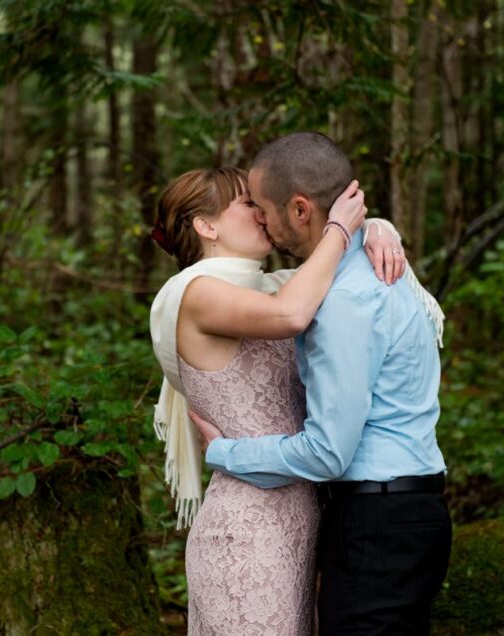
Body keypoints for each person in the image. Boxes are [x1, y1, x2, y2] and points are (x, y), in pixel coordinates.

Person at [189, 132, 451, 635]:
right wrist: (375, 225)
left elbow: (328, 452)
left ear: (302, 209)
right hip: (405, 514)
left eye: (263, 208)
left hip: (377, 522)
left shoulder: (343, 303)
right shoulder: (371, 269)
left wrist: (227, 453)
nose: (259, 219)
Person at [149, 163, 407, 635]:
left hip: (302, 519)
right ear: (207, 226)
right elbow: (289, 315)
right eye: (247, 204)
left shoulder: (271, 284)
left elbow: (327, 277)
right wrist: (337, 230)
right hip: (246, 528)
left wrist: (376, 229)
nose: (263, 215)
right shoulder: (197, 292)